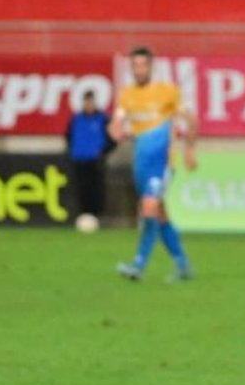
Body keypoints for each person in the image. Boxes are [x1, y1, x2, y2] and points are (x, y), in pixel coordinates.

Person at [109, 46, 197, 282]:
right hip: (142, 163)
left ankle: (138, 264)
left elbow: (189, 119)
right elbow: (117, 120)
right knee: (160, 215)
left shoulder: (167, 92)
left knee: (148, 208)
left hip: (163, 162)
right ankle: (183, 264)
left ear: (151, 66)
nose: (139, 70)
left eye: (143, 65)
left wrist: (189, 150)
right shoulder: (127, 95)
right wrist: (115, 129)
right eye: (135, 65)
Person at [65, 90, 115, 227]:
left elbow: (113, 139)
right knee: (81, 190)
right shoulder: (76, 119)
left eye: (91, 102)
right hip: (79, 160)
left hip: (95, 161)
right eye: (86, 102)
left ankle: (98, 217)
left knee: (96, 190)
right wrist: (73, 151)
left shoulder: (103, 119)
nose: (89, 105)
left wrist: (102, 152)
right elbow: (68, 136)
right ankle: (82, 217)